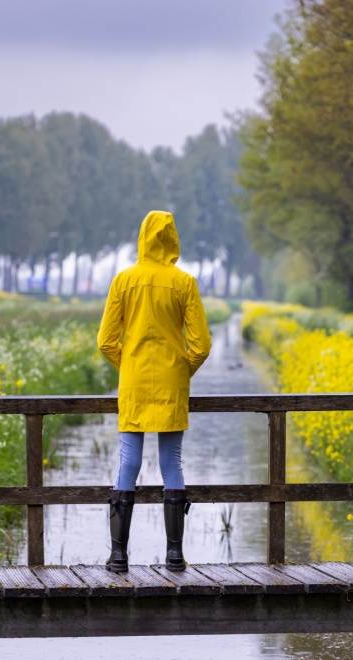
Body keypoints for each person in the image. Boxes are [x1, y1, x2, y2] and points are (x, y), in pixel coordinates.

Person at [97, 210, 211, 572]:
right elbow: (202, 345)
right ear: (173, 239)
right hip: (172, 383)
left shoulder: (124, 280)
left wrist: (127, 365)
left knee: (128, 462)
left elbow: (105, 341)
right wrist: (180, 370)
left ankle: (118, 556)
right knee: (171, 463)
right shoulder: (185, 283)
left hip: (133, 382)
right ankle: (174, 555)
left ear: (142, 237)